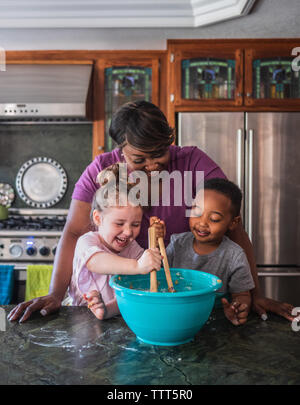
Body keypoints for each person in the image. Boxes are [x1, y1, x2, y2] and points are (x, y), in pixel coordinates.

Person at [7, 100, 295, 323]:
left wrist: (254, 294)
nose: (153, 165)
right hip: (114, 302)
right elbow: (73, 231)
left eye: (159, 153)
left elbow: (232, 225)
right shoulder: (100, 169)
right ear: (120, 150)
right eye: (139, 158)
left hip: (179, 297)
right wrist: (56, 294)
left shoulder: (193, 162)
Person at [68, 163, 163, 320]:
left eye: (135, 224)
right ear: (98, 218)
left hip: (114, 314)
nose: (128, 232)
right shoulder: (87, 242)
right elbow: (96, 262)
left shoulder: (132, 248)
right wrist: (138, 266)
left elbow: (145, 278)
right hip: (80, 318)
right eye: (119, 223)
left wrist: (156, 242)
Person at [166, 178, 254, 326]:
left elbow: (242, 295)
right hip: (175, 319)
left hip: (215, 322)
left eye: (214, 219)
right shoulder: (177, 244)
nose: (202, 223)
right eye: (197, 212)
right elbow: (156, 276)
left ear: (233, 223)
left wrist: (238, 308)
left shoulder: (234, 255)